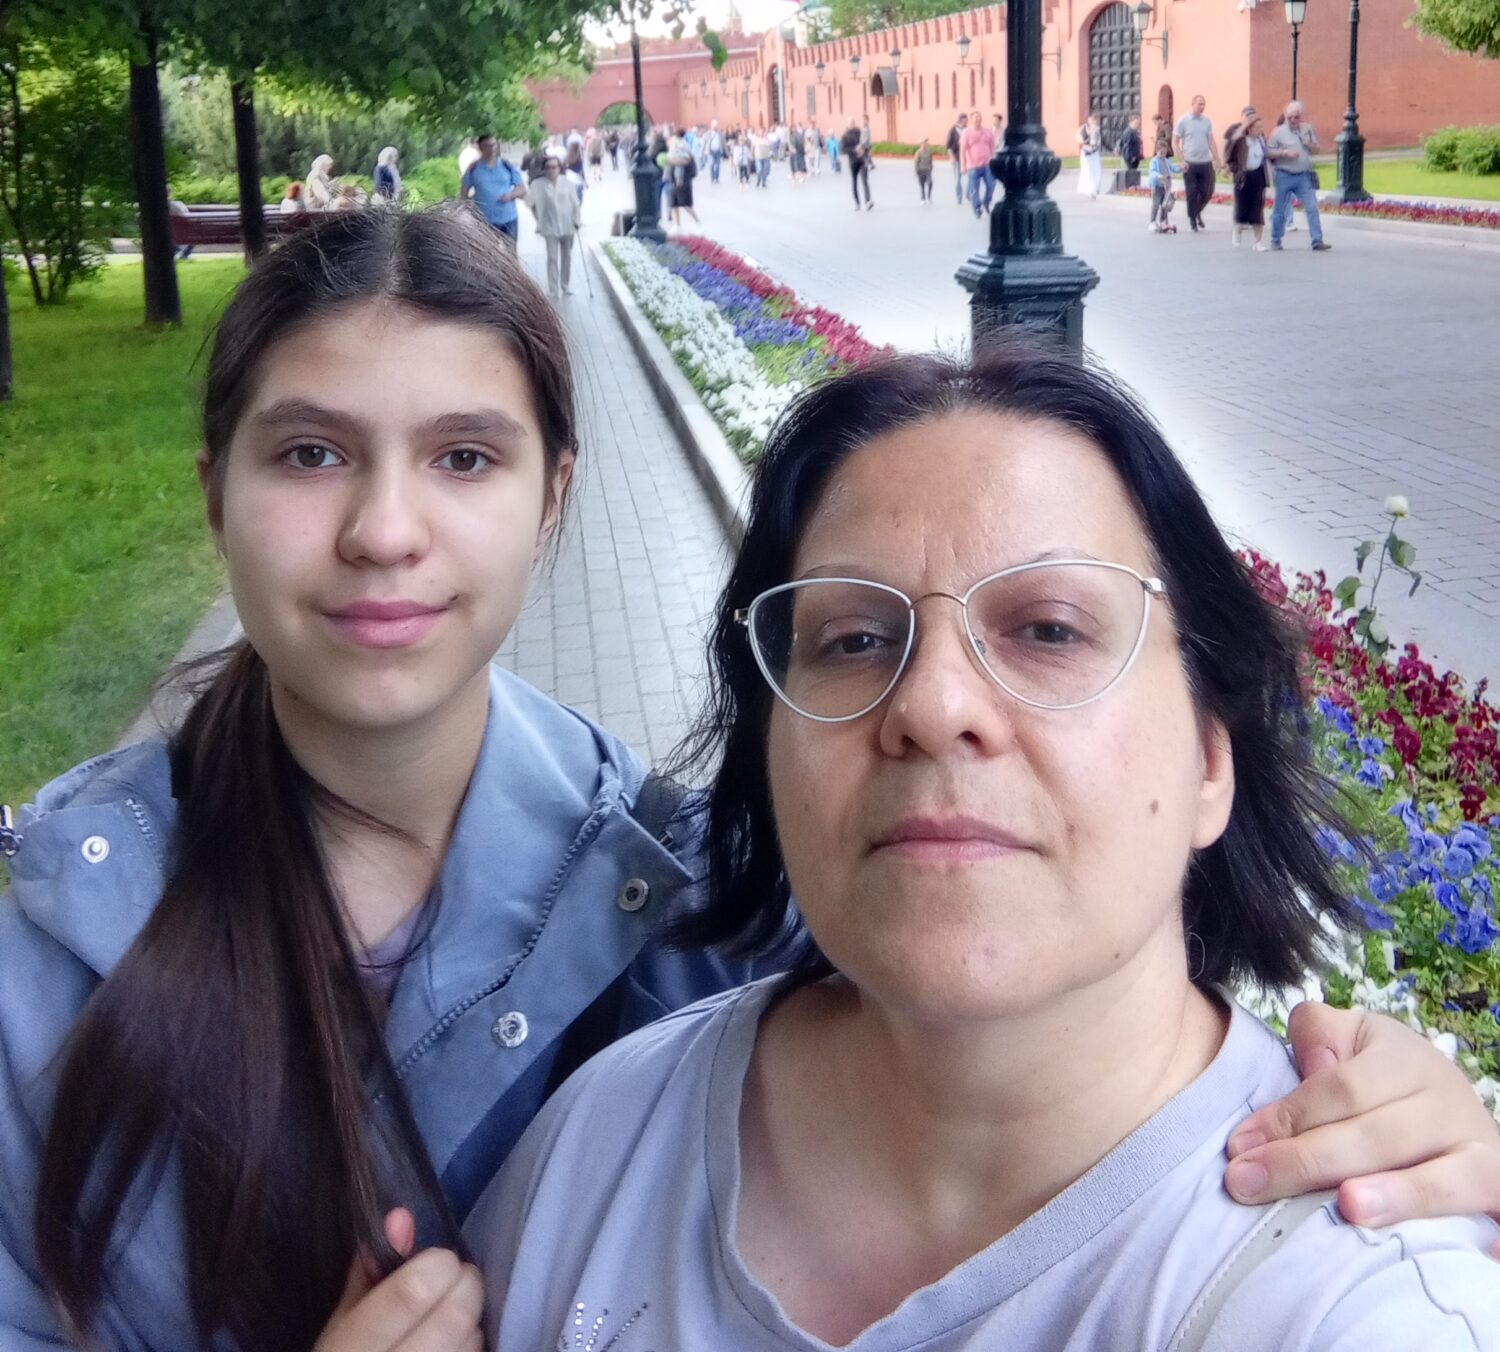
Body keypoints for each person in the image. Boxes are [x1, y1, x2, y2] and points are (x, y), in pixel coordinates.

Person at [6, 211, 1499, 1352]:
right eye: (310, 455)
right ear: (214, 494)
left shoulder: (692, 900)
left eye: (465, 457)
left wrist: (1443, 1145)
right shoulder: (48, 946)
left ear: (556, 498)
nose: (385, 531)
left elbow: (1022, 997)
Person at [469, 347, 1500, 1349]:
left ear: (1209, 762)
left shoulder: (1350, 1296)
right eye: (853, 640)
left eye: (1049, 629)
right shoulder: (601, 1146)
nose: (931, 706)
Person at [1268, 100, 1331, 252]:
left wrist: (1309, 144)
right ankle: (1276, 240)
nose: (1293, 121)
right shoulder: (1278, 132)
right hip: (1284, 174)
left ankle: (1317, 240)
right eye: (1289, 117)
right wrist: (1284, 153)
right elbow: (1268, 152)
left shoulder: (1307, 129)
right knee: (1280, 209)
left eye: (1296, 117)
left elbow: (1317, 150)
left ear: (1301, 116)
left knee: (1312, 207)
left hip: (1303, 175)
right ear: (1285, 116)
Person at [529, 154, 582, 298]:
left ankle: (565, 285)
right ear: (544, 169)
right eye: (548, 168)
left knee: (567, 256)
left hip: (568, 225)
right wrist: (538, 219)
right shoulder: (537, 184)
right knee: (552, 257)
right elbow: (531, 203)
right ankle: (553, 289)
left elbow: (576, 204)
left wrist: (577, 220)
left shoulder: (568, 183)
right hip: (549, 226)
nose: (551, 170)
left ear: (559, 168)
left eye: (554, 167)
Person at [461, 133, 528, 244]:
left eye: (493, 145)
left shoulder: (506, 165)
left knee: (510, 251)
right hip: (484, 220)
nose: (491, 149)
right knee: (486, 252)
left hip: (509, 218)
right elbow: (463, 194)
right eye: (486, 146)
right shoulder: (474, 168)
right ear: (480, 148)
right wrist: (469, 208)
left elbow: (522, 189)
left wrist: (510, 195)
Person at [1174, 94, 1221, 232]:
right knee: (1192, 192)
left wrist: (1217, 159)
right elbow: (1175, 142)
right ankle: (1192, 221)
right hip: (1190, 163)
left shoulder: (1206, 121)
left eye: (1204, 104)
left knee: (1208, 191)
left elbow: (1211, 141)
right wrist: (1181, 160)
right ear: (1193, 103)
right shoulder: (1183, 120)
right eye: (1200, 104)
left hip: (1205, 162)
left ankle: (1197, 211)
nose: (1202, 107)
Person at [1228, 108, 1271, 250]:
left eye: (1261, 127)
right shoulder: (1240, 141)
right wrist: (1234, 171)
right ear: (1249, 128)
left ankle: (1257, 242)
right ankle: (1237, 231)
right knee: (1241, 207)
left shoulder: (1261, 140)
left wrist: (1282, 153)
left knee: (1258, 209)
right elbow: (1230, 153)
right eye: (1257, 127)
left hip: (1258, 176)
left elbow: (1266, 154)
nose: (1260, 130)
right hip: (1243, 177)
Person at [961, 108, 995, 218]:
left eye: (979, 117)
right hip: (973, 166)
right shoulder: (966, 132)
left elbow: (992, 147)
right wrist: (963, 165)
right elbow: (962, 150)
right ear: (971, 120)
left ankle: (986, 202)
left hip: (987, 165)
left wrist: (993, 161)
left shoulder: (987, 132)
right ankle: (977, 208)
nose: (978, 119)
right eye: (975, 117)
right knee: (974, 189)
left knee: (991, 185)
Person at [665, 135, 700, 229]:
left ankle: (698, 222)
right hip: (673, 182)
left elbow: (679, 167)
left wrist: (679, 179)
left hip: (681, 183)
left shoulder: (681, 154)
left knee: (685, 204)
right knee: (674, 204)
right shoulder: (673, 154)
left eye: (670, 143)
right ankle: (676, 225)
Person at [842, 117, 872, 211]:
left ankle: (868, 201)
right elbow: (843, 149)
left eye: (853, 122)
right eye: (851, 122)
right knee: (854, 182)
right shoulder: (845, 136)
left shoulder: (860, 132)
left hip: (862, 160)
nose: (853, 124)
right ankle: (857, 202)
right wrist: (854, 150)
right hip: (853, 161)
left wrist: (866, 149)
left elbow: (866, 142)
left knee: (865, 181)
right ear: (847, 124)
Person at [1148, 146, 1179, 233]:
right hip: (1157, 186)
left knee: (1165, 205)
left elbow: (1173, 168)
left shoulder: (1167, 161)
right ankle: (1152, 222)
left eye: (1164, 153)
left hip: (1166, 186)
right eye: (1161, 153)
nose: (1163, 155)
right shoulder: (1154, 161)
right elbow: (1152, 171)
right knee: (1156, 204)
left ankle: (1163, 222)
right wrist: (1158, 176)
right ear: (1156, 151)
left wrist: (1180, 168)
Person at [1077, 111, 1105, 198]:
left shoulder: (1098, 129)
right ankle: (1091, 190)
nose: (1096, 121)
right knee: (1088, 172)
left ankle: (1096, 189)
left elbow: (1103, 141)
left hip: (1095, 153)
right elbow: (1081, 139)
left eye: (1097, 119)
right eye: (1094, 118)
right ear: (1089, 119)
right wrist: (1088, 135)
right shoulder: (1085, 128)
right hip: (1087, 153)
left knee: (1097, 171)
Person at [947, 113, 968, 205]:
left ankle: (968, 194)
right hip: (957, 157)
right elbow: (948, 146)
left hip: (968, 157)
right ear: (961, 120)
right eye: (965, 120)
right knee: (957, 180)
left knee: (971, 177)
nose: (967, 122)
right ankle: (959, 198)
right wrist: (951, 157)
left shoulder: (968, 130)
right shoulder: (953, 130)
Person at [1118, 112, 1144, 188]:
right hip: (1131, 157)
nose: (1138, 124)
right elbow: (1126, 146)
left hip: (1136, 157)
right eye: (1136, 122)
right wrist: (1130, 157)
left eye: (1139, 122)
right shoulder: (1128, 132)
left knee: (1134, 173)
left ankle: (1133, 187)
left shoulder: (1135, 132)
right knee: (1130, 173)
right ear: (1131, 122)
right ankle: (1129, 188)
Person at [914, 137, 934, 203]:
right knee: (922, 186)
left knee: (930, 183)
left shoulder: (929, 152)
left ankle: (929, 196)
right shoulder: (918, 152)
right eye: (923, 143)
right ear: (920, 144)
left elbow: (931, 161)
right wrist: (916, 171)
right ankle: (923, 199)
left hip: (927, 170)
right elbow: (916, 162)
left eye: (925, 143)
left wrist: (931, 168)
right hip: (921, 170)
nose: (924, 144)